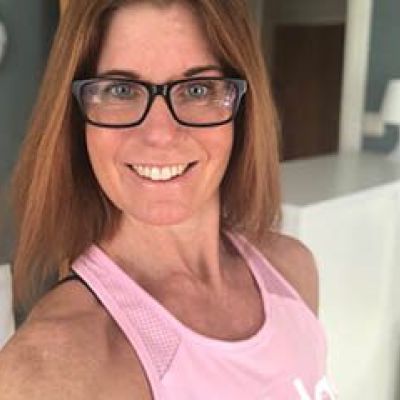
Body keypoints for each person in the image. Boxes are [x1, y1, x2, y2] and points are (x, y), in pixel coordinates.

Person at [0, 0, 337, 398]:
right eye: (121, 90)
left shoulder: (293, 271)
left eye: (197, 89)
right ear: (77, 120)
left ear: (242, 110)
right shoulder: (51, 371)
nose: (160, 134)